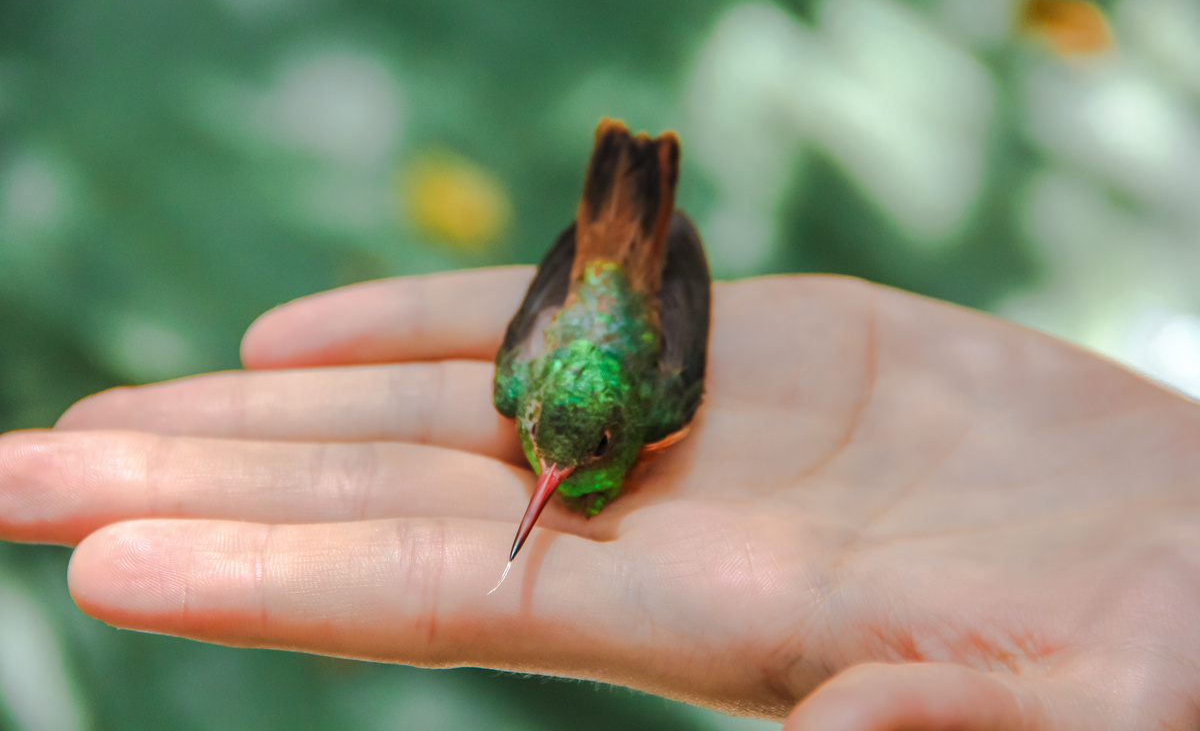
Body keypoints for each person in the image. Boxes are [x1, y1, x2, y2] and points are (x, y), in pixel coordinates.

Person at [2, 267, 1198, 730]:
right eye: (541, 457)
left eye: (575, 467)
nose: (548, 482)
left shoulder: (649, 414)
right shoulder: (536, 400)